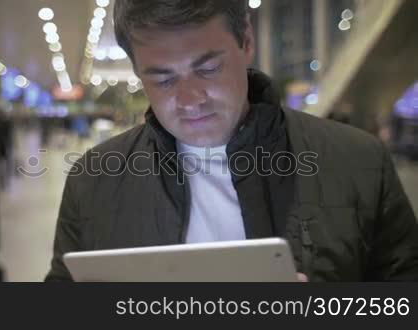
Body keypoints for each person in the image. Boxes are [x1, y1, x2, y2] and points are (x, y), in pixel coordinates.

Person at [46, 0, 418, 281]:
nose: (190, 98)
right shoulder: (93, 180)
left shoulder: (357, 162)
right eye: (163, 79)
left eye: (207, 69)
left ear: (247, 42)